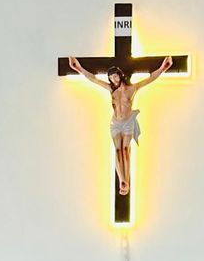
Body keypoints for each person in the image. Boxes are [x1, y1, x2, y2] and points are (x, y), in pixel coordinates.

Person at [67, 54, 173, 196]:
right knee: (118, 150)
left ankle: (126, 181)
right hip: (116, 123)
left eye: (115, 76)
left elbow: (150, 78)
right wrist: (78, 68)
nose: (113, 79)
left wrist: (163, 68)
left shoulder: (132, 88)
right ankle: (122, 180)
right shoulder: (112, 90)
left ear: (120, 75)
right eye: (111, 78)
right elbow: (94, 79)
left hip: (128, 121)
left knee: (125, 149)